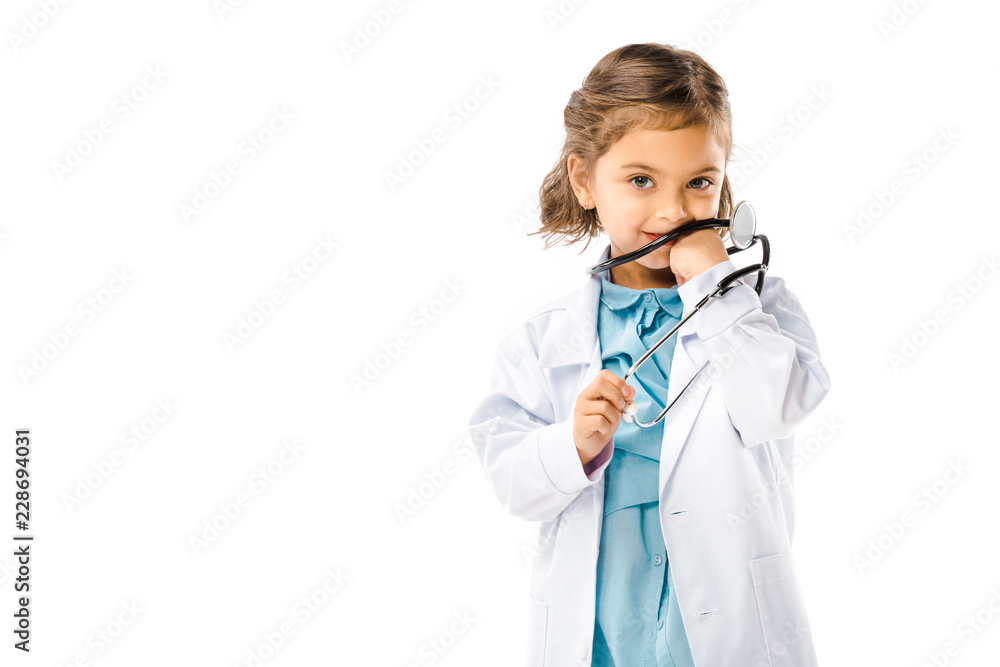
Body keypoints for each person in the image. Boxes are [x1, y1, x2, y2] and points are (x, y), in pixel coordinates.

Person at [467, 42, 831, 667]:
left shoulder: (761, 307)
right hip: (603, 622)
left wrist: (715, 293)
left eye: (699, 183)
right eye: (641, 181)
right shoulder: (541, 339)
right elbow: (512, 482)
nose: (671, 210)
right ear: (585, 181)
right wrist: (572, 445)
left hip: (725, 628)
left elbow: (778, 403)